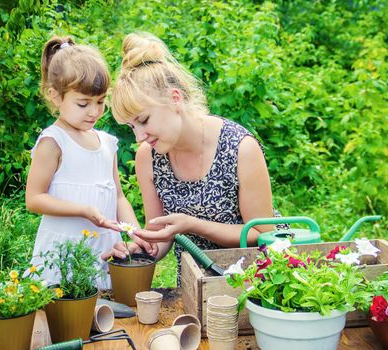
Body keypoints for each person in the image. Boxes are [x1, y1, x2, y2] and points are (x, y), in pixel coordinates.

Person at [102, 32, 277, 284]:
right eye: (131, 127)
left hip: (255, 280)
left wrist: (191, 224)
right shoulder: (148, 156)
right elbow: (160, 235)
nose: (139, 136)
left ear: (175, 99)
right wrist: (141, 248)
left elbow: (261, 233)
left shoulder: (240, 148)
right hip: (194, 284)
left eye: (144, 120)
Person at [25, 36, 154, 289]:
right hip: (64, 249)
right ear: (55, 96)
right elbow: (34, 199)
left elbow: (117, 197)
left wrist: (135, 232)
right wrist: (83, 210)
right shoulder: (54, 141)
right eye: (83, 104)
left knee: (106, 310)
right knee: (65, 312)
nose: (94, 112)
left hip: (104, 247)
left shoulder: (107, 143)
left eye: (100, 102)